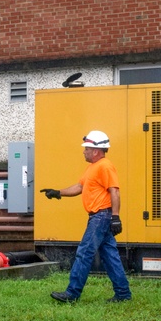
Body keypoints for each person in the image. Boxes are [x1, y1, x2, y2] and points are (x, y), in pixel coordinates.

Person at [40, 129, 132, 303]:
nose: (84, 151)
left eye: (86, 149)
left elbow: (115, 192)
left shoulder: (105, 166)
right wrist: (57, 192)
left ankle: (72, 293)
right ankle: (123, 294)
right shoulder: (92, 168)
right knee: (109, 255)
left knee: (84, 253)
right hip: (100, 217)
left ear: (96, 151)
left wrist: (115, 217)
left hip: (100, 217)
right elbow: (80, 187)